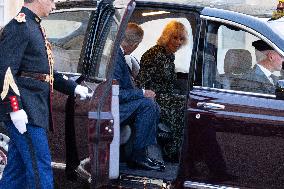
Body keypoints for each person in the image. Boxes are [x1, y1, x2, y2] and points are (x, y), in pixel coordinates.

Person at [0, 0, 91, 188]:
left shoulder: (34, 26)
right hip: (26, 111)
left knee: (16, 172)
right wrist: (14, 108)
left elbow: (45, 73)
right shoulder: (20, 26)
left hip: (34, 109)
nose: (54, 5)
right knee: (40, 169)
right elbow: (5, 70)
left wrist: (73, 88)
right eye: (51, 0)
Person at [113, 23, 165, 171]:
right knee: (148, 105)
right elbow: (114, 92)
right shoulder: (116, 57)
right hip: (112, 106)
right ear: (135, 45)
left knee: (149, 102)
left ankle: (144, 151)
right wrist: (141, 93)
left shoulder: (119, 55)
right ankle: (138, 154)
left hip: (118, 103)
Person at [136, 20, 188, 161]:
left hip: (166, 95)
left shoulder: (169, 55)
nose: (178, 42)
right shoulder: (153, 54)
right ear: (167, 36)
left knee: (188, 100)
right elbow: (142, 83)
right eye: (175, 37)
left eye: (181, 39)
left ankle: (178, 149)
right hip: (153, 97)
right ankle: (172, 152)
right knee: (183, 105)